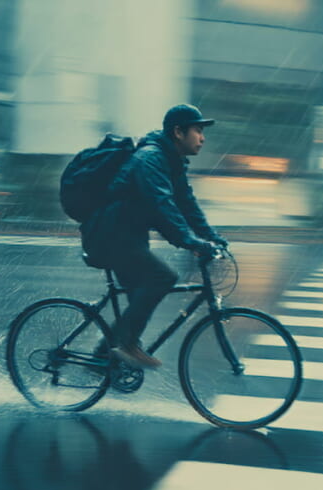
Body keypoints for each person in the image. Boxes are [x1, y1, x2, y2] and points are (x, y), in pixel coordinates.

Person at [81, 104, 228, 369]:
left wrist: (212, 237)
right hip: (111, 236)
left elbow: (187, 205)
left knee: (141, 296)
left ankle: (103, 357)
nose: (203, 138)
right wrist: (190, 241)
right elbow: (162, 206)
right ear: (178, 132)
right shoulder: (151, 158)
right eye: (197, 131)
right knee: (163, 277)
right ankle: (125, 345)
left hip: (127, 237)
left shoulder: (172, 162)